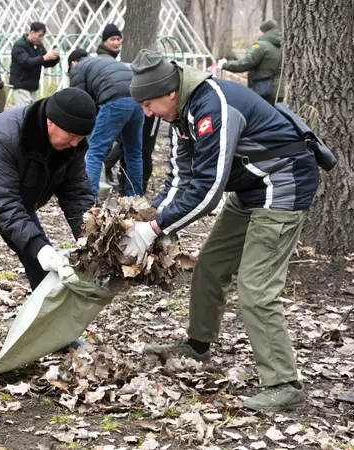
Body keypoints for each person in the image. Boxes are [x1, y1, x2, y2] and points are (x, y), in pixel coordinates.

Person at [124, 50, 319, 411]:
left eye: (149, 104)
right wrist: (150, 217)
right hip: (250, 187)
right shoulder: (182, 112)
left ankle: (285, 383)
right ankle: (197, 346)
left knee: (256, 287)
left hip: (283, 183)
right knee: (211, 266)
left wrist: (155, 228)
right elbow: (181, 177)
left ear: (169, 92)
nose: (147, 113)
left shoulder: (214, 107)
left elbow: (208, 190)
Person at [0, 88, 97, 352]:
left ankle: (59, 336)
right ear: (50, 121)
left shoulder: (72, 144)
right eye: (71, 135)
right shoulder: (5, 135)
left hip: (13, 196)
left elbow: (77, 194)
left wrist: (92, 235)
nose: (75, 143)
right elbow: (3, 203)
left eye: (80, 137)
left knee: (42, 265)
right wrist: (39, 246)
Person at [67, 48, 144, 199]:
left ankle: (89, 199)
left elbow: (80, 103)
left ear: (73, 63)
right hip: (137, 98)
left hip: (114, 100)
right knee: (134, 153)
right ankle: (136, 199)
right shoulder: (101, 62)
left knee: (94, 152)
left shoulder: (77, 70)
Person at [218, 20, 284, 105]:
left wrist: (225, 65)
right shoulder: (281, 46)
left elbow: (246, 63)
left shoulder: (261, 46)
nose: (258, 33)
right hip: (279, 91)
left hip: (264, 90)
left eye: (259, 30)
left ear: (264, 31)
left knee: (261, 116)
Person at [9, 22, 59, 108]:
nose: (41, 38)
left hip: (33, 86)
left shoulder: (38, 46)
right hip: (21, 85)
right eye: (39, 35)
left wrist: (55, 57)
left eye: (43, 36)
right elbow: (27, 62)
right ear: (32, 32)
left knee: (31, 112)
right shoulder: (19, 45)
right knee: (24, 113)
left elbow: (45, 63)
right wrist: (45, 57)